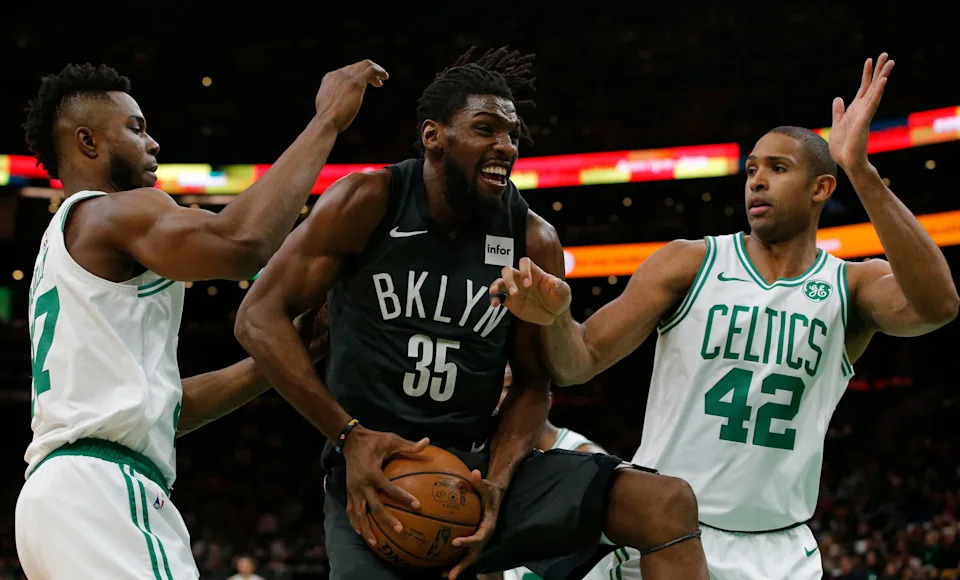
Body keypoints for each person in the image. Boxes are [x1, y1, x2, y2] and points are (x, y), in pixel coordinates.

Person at [235, 46, 708, 580]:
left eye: (511, 134)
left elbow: (533, 384)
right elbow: (258, 318)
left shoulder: (532, 238)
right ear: (435, 135)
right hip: (374, 475)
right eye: (485, 129)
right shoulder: (369, 200)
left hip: (478, 469)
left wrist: (499, 485)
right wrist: (349, 436)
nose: (505, 145)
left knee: (663, 504)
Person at [487, 53, 958, 580]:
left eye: (778, 169)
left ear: (822, 188)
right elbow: (579, 362)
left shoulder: (851, 285)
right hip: (662, 532)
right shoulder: (690, 261)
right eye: (752, 169)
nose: (756, 181)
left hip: (779, 551)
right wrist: (555, 317)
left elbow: (938, 306)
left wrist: (861, 171)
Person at [16, 59, 386, 578]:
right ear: (88, 142)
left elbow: (166, 410)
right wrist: (327, 120)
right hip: (100, 493)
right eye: (136, 128)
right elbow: (241, 243)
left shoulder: (63, 246)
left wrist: (276, 360)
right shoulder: (109, 213)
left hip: (66, 497)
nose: (154, 143)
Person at [484, 364, 609, 580]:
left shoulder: (587, 459)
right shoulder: (498, 466)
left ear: (547, 401)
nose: (498, 401)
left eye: (506, 389)